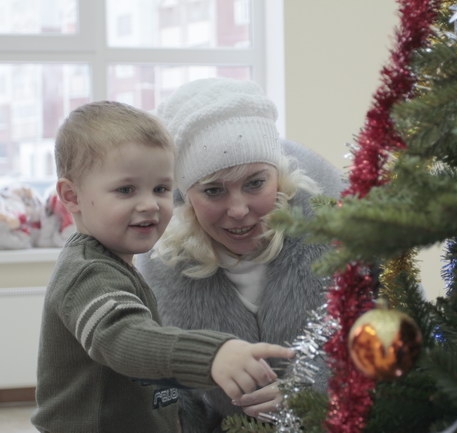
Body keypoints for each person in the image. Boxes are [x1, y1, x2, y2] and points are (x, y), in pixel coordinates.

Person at [31, 100, 294, 433]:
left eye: (161, 189)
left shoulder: (115, 264)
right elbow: (124, 338)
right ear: (72, 197)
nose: (150, 204)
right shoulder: (88, 274)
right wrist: (213, 355)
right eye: (126, 190)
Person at [136, 78, 345, 432]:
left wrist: (317, 391)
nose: (238, 210)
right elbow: (167, 387)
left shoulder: (344, 232)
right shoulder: (160, 266)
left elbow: (396, 331)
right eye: (213, 191)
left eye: (255, 183)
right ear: (186, 195)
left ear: (277, 176)